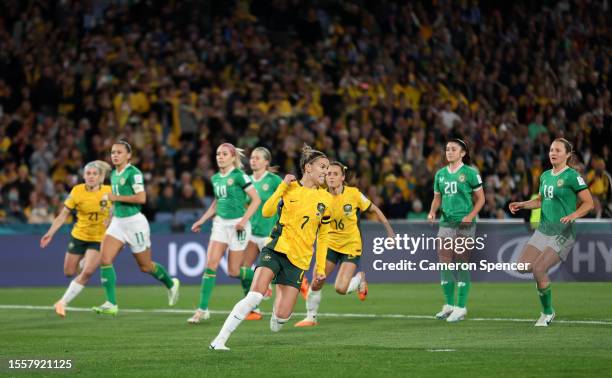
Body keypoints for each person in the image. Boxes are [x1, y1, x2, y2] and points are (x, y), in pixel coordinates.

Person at [209, 145, 332, 350]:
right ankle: (219, 340)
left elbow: (325, 235)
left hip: (299, 260)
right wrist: (282, 187)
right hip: (275, 248)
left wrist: (319, 268)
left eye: (328, 168)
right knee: (255, 294)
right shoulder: (289, 187)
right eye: (322, 166)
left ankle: (277, 306)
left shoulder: (326, 199)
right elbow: (266, 211)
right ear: (308, 168)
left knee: (281, 319)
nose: (326, 172)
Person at [295, 161, 395, 327]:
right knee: (317, 281)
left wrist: (390, 232)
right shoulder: (319, 194)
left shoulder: (354, 194)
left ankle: (359, 279)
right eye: (328, 174)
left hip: (351, 246)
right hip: (329, 245)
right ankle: (311, 317)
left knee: (340, 289)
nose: (331, 177)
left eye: (335, 174)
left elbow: (375, 209)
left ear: (342, 177)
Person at [509, 138, 593, 326]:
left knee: (539, 269)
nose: (552, 153)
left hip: (563, 232)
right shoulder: (545, 175)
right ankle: (543, 281)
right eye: (551, 150)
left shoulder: (572, 176)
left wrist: (574, 215)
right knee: (522, 267)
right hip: (543, 230)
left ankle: (547, 313)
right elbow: (540, 200)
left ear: (567, 155)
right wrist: (523, 204)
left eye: (557, 150)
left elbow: (589, 203)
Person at [92, 140, 179, 315]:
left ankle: (171, 283)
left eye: (119, 152)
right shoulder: (115, 174)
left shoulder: (134, 173)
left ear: (128, 155)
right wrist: (110, 217)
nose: (115, 155)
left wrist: (115, 197)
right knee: (105, 258)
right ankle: (111, 303)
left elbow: (141, 198)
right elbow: (115, 201)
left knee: (145, 266)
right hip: (118, 222)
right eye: (113, 152)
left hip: (135, 223)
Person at [187, 143, 261, 323]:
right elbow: (217, 203)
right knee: (210, 264)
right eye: (218, 153)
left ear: (232, 156)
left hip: (238, 225)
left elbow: (256, 200)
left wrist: (243, 221)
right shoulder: (215, 178)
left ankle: (262, 278)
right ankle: (202, 310)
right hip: (220, 224)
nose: (220, 156)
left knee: (234, 272)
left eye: (224, 154)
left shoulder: (239, 176)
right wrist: (202, 220)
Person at [41, 160, 112, 317]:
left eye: (94, 174)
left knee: (87, 272)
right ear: (83, 176)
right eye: (88, 174)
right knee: (69, 272)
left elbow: (119, 211)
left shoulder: (109, 191)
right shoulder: (77, 191)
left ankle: (62, 302)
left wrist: (112, 222)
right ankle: (81, 262)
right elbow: (63, 215)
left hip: (99, 238)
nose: (91, 177)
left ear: (101, 177)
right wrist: (50, 233)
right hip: (79, 236)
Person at [428, 138, 485, 322]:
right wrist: (432, 212)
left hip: (465, 224)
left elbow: (481, 199)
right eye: (447, 149)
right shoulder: (440, 175)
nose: (449, 152)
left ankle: (461, 307)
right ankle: (449, 305)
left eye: (453, 149)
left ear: (463, 153)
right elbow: (437, 198)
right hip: (446, 222)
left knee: (461, 262)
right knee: (444, 262)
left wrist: (471, 216)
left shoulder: (470, 173)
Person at [240, 147, 282, 320]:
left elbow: (288, 199)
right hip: (252, 232)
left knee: (275, 273)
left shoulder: (273, 180)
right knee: (243, 269)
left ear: (266, 162)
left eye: (257, 158)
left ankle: (299, 284)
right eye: (252, 157)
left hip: (269, 234)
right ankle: (253, 308)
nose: (253, 160)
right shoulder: (247, 180)